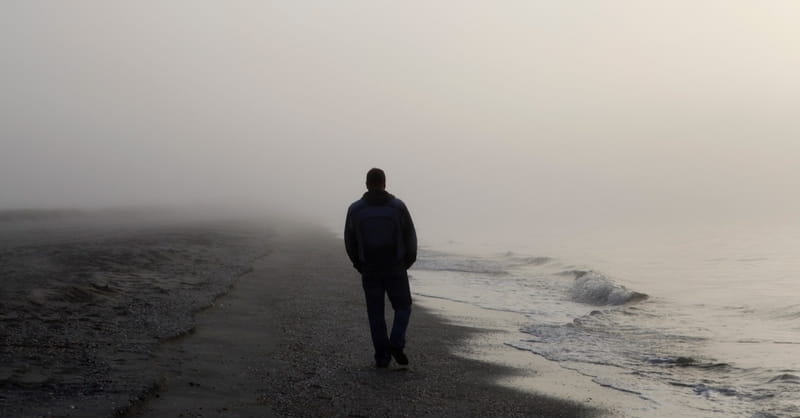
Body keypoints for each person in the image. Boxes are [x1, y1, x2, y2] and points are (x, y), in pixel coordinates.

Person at [344, 168, 417, 368]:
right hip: (395, 267)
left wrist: (359, 264)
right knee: (403, 307)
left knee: (375, 313)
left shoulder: (355, 209)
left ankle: (382, 358)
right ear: (385, 183)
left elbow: (349, 241)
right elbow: (410, 236)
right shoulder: (398, 207)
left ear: (366, 184)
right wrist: (407, 262)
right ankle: (396, 342)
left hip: (370, 268)